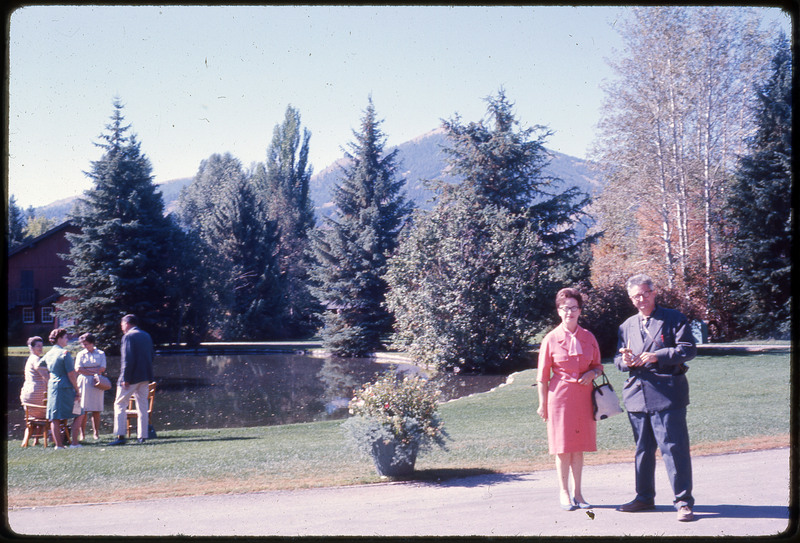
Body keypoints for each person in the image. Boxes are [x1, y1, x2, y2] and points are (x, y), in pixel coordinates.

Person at [614, 273, 697, 522]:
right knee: (642, 450)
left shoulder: (673, 318)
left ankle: (683, 502)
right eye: (636, 296)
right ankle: (644, 497)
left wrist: (657, 355)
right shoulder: (626, 326)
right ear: (630, 299)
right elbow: (617, 361)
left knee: (674, 448)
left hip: (668, 395)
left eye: (645, 293)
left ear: (654, 292)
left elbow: (688, 349)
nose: (641, 299)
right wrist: (625, 361)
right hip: (637, 396)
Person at [537, 288, 604, 511]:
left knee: (579, 447)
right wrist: (542, 404)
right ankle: (564, 492)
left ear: (580, 311)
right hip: (560, 398)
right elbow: (542, 377)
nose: (570, 312)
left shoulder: (588, 337)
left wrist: (592, 374)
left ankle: (578, 493)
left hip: (584, 397)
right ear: (559, 311)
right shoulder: (550, 339)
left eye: (574, 308)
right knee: (563, 447)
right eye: (565, 308)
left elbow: (598, 366)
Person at [109, 314, 154, 446]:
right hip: (145, 376)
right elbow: (151, 355)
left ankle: (121, 436)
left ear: (127, 324)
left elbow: (127, 359)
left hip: (132, 378)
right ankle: (142, 436)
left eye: (122, 324)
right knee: (142, 406)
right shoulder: (146, 335)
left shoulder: (128, 336)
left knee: (120, 404)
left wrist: (125, 378)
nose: (121, 327)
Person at [41, 328, 85, 449]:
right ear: (59, 339)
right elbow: (71, 374)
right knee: (79, 413)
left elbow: (39, 366)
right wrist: (77, 390)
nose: (67, 340)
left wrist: (49, 377)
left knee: (54, 417)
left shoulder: (48, 354)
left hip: (53, 387)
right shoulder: (64, 353)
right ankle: (75, 443)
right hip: (66, 387)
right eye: (65, 337)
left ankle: (59, 445)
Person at [75, 333, 107, 440]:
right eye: (83, 344)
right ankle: (82, 433)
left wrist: (88, 370)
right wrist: (94, 370)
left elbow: (102, 368)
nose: (84, 346)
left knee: (96, 409)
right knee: (82, 409)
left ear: (92, 343)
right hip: (83, 382)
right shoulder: (81, 354)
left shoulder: (101, 353)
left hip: (97, 382)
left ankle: (96, 433)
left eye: (87, 344)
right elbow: (78, 369)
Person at [19, 336, 49, 430]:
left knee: (35, 415)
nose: (41, 348)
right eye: (38, 346)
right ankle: (57, 436)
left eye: (41, 346)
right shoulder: (36, 359)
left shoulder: (30, 359)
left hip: (27, 395)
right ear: (31, 347)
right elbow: (45, 376)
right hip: (37, 393)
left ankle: (36, 439)